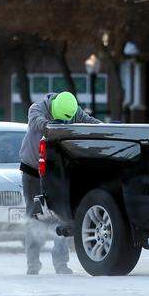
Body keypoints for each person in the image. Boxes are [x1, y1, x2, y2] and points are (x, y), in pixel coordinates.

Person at [18, 91, 100, 275]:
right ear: (53, 109)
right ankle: (33, 264)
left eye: (67, 121)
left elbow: (90, 122)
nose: (65, 123)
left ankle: (61, 264)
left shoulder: (73, 110)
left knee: (62, 215)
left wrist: (107, 130)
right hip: (32, 170)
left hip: (56, 172)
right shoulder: (37, 109)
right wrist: (52, 126)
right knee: (33, 215)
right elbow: (37, 123)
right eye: (60, 120)